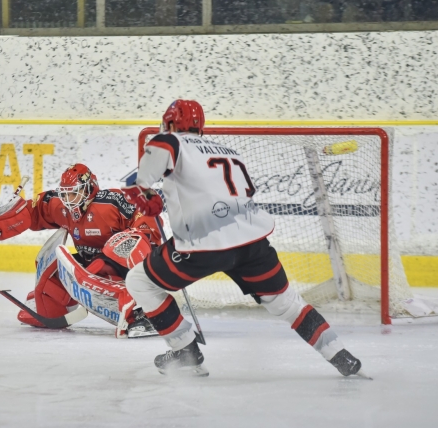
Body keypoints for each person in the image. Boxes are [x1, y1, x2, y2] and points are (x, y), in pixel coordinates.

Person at [122, 99, 365, 377]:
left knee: (139, 281)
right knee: (286, 303)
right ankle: (340, 355)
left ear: (172, 123)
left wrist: (144, 193)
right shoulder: (228, 150)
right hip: (252, 243)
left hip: (204, 245)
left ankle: (185, 351)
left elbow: (146, 171)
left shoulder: (170, 141)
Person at [0, 163, 163, 335]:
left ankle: (142, 313)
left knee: (111, 253)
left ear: (89, 189)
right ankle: (53, 308)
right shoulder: (62, 206)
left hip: (125, 265)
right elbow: (34, 211)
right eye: (65, 193)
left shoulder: (110, 202)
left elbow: (147, 213)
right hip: (89, 266)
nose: (68, 199)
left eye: (73, 193)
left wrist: (140, 232)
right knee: (51, 284)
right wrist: (6, 220)